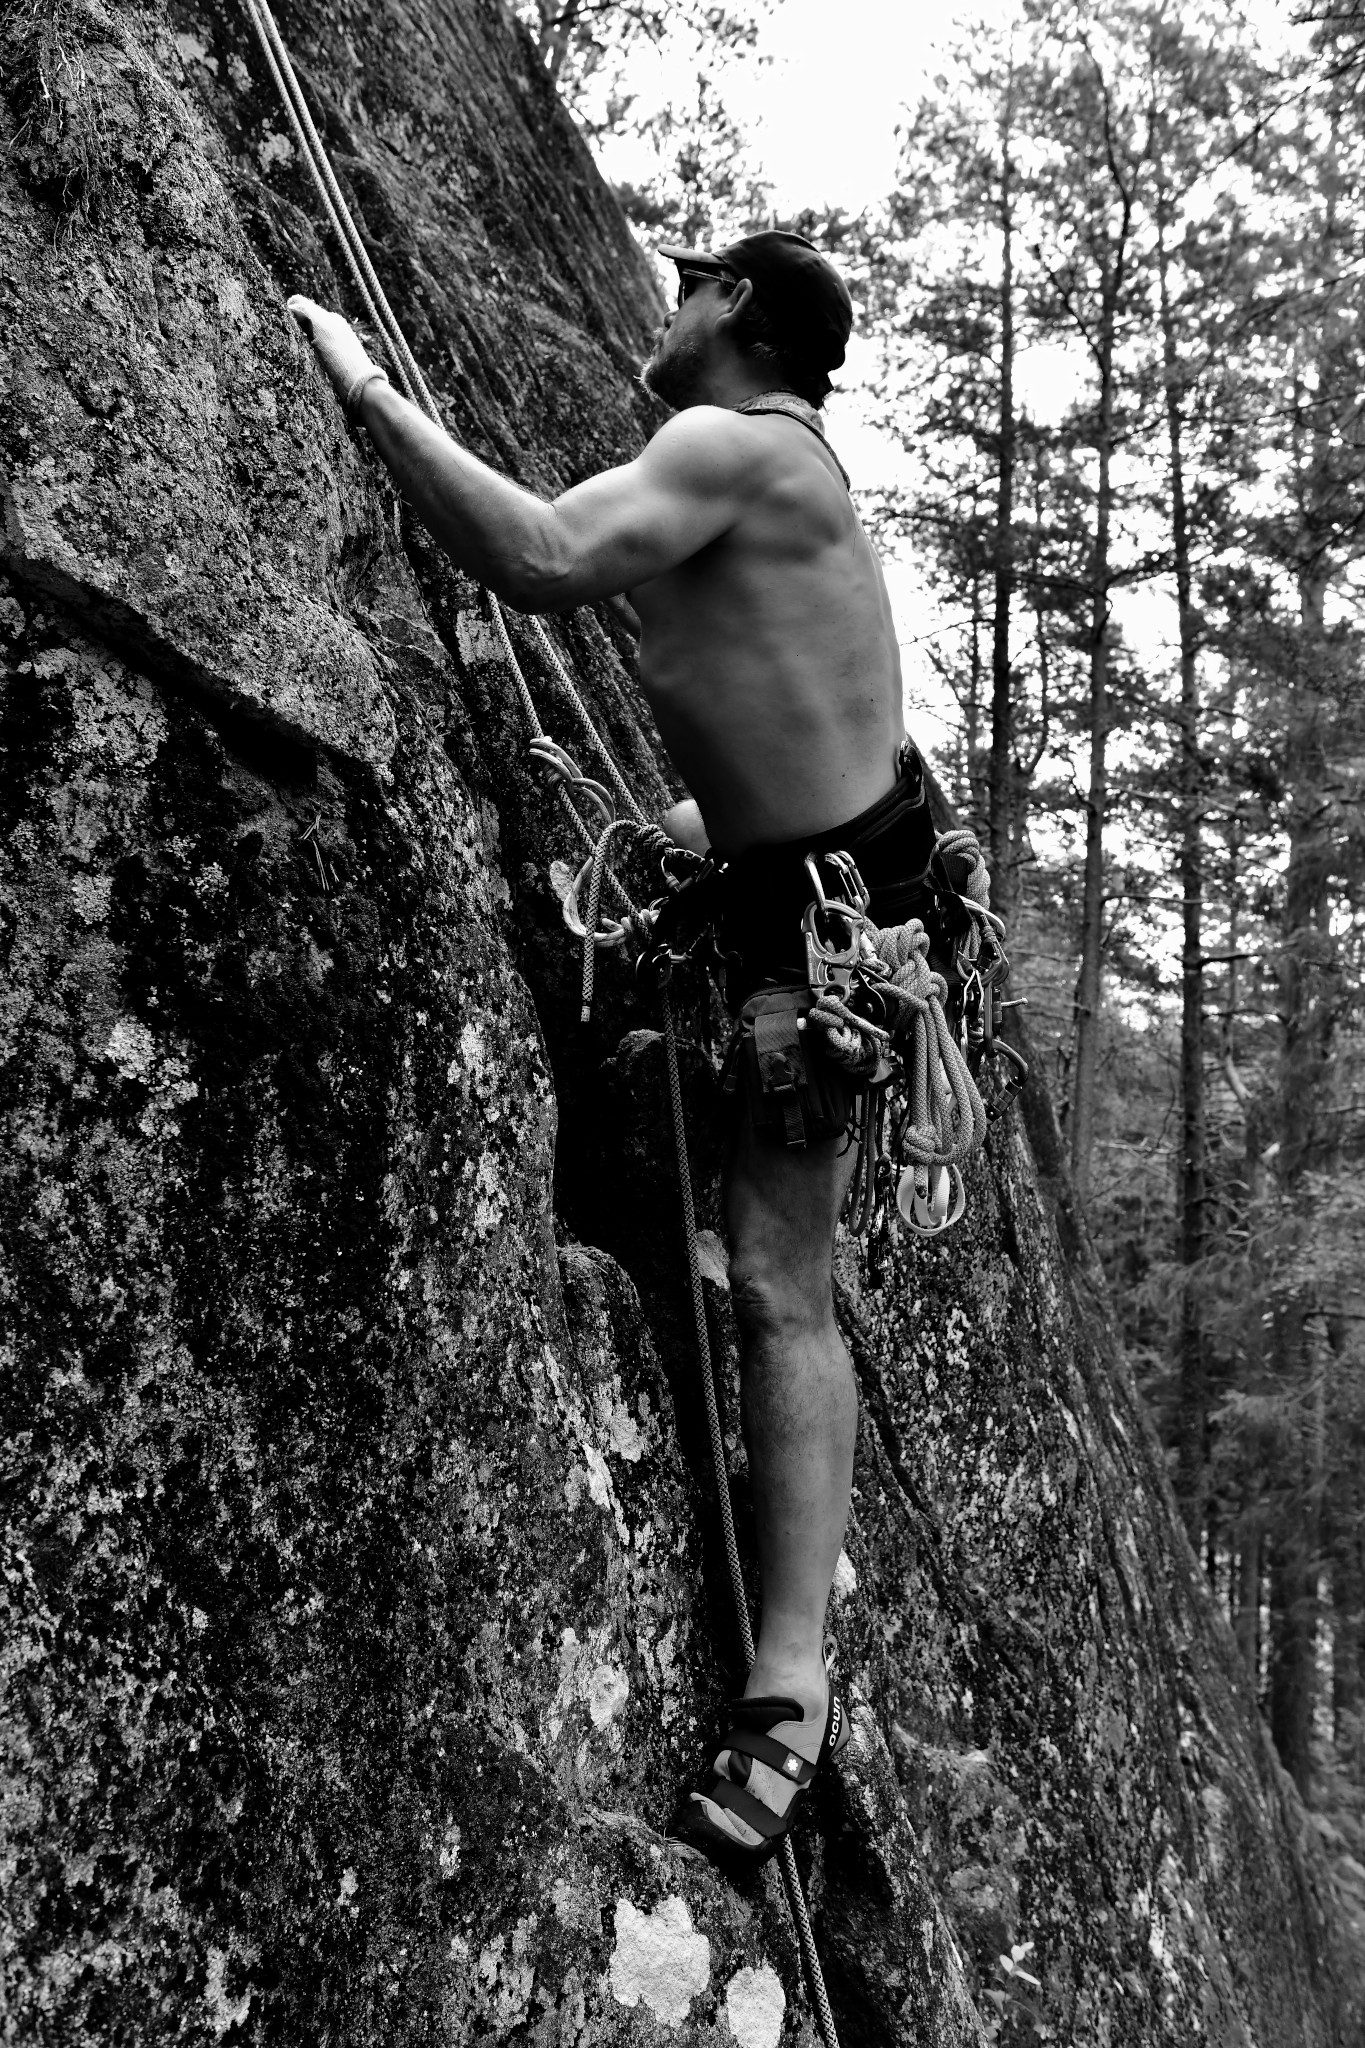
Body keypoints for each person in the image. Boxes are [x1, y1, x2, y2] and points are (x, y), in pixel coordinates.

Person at [288, 231, 941, 1872]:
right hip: (818, 882)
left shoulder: (725, 444)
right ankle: (793, 1646)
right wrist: (696, 834)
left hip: (825, 931)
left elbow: (541, 555)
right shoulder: (787, 468)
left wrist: (359, 383)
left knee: (783, 1281)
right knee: (766, 1268)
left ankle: (789, 1689)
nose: (665, 306)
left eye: (688, 282)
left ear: (733, 310)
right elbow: (801, 703)